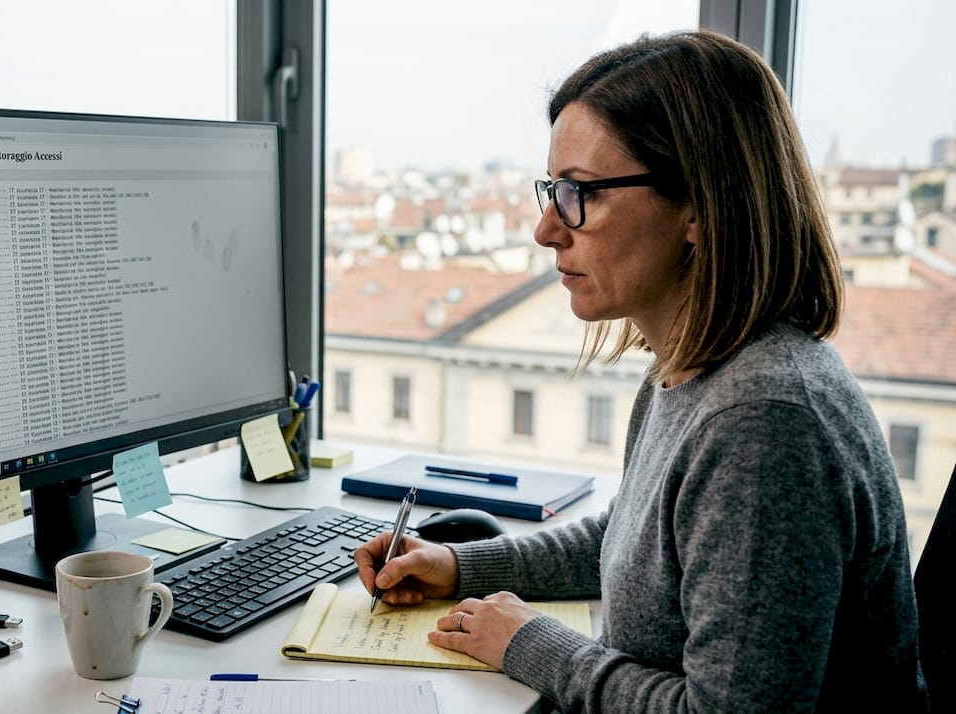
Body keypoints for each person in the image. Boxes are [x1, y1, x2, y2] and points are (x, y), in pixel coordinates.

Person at [354, 30, 928, 713]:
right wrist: (459, 567)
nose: (546, 228)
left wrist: (533, 644)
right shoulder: (689, 366)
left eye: (579, 193)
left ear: (698, 208)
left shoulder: (762, 422)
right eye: (551, 189)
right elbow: (633, 542)